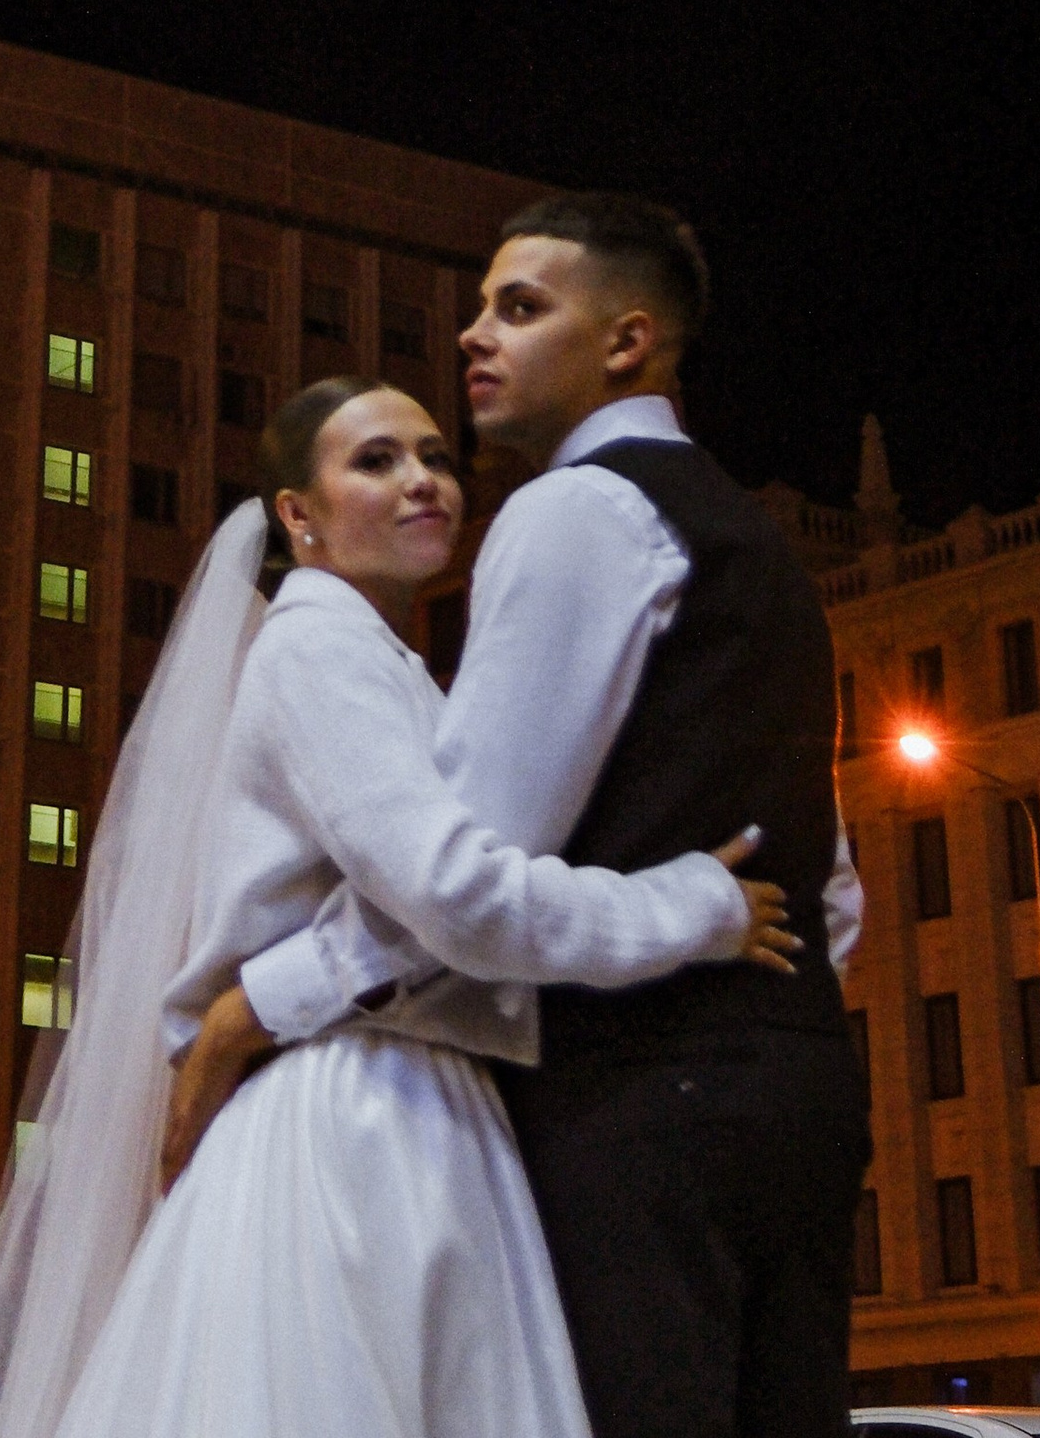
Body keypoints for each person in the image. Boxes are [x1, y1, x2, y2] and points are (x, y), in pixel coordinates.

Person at [0, 372, 798, 1438]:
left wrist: (245, 1012)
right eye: (376, 462)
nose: (423, 482)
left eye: (433, 456)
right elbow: (452, 898)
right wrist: (689, 908)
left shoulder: (393, 670)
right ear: (299, 515)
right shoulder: (318, 651)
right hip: (354, 1115)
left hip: (400, 1098)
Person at [168, 197, 869, 1438]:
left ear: (627, 341)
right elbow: (835, 893)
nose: (470, 334)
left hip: (638, 1096)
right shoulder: (756, 544)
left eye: (519, 307)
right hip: (803, 1097)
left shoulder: (573, 510)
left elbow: (457, 883)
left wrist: (251, 1007)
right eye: (480, 306)